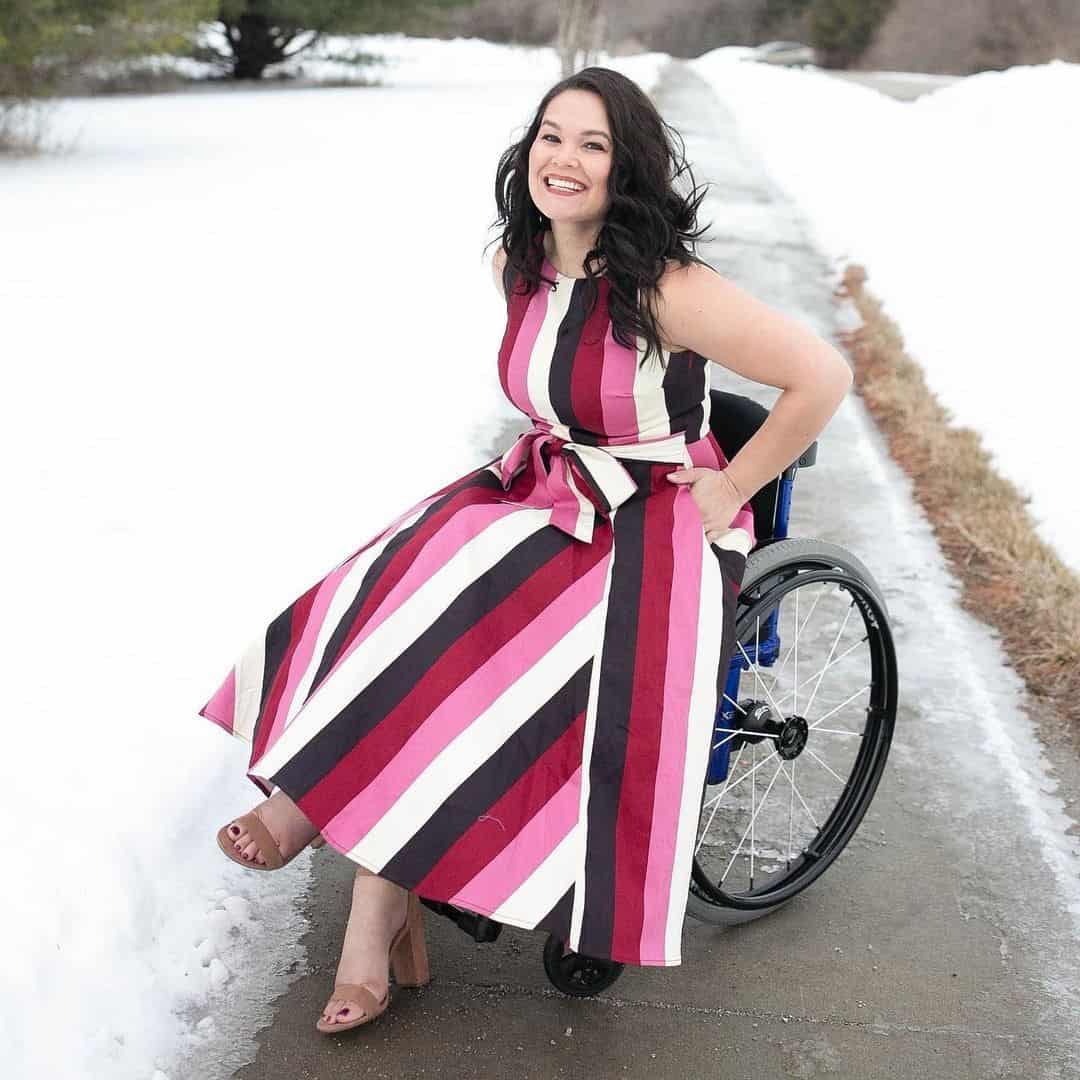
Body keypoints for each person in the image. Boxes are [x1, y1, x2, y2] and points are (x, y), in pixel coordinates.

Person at [197, 66, 852, 1036]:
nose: (566, 158)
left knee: (478, 647)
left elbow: (821, 377)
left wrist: (731, 485)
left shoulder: (670, 289)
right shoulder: (519, 263)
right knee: (402, 580)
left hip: (655, 527)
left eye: (593, 144)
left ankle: (361, 907)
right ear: (529, 150)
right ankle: (340, 828)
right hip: (553, 491)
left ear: (625, 168)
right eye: (553, 136)